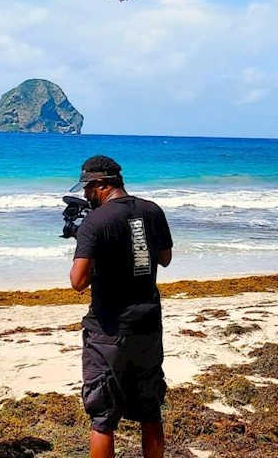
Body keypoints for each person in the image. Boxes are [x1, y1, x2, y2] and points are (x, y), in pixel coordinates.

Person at [68, 155, 174, 458]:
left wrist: (91, 242)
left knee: (102, 417)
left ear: (101, 184)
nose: (86, 196)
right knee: (150, 410)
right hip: (148, 325)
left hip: (109, 329)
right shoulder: (152, 211)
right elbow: (164, 258)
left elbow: (78, 281)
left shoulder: (95, 222)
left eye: (88, 189)